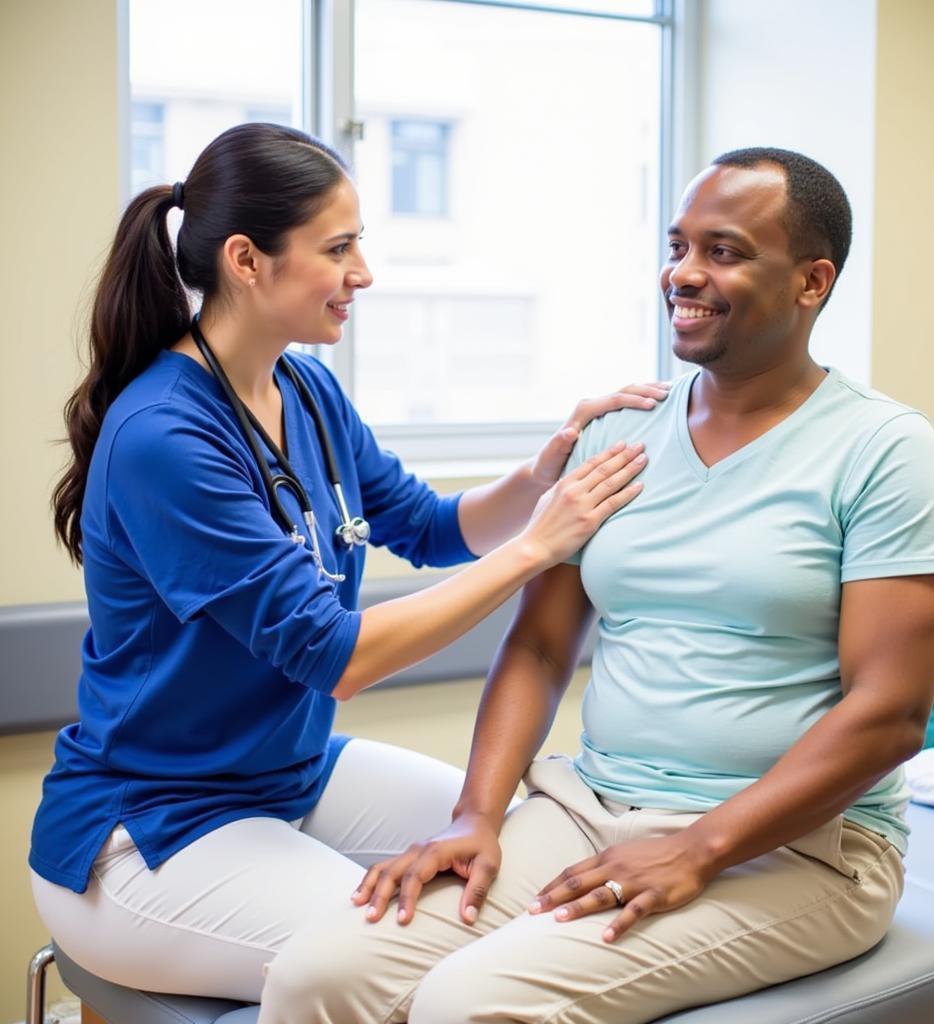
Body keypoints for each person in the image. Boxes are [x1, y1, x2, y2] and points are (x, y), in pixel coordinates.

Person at [266, 148, 934, 1024]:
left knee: (467, 1004)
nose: (684, 273)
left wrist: (701, 847)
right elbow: (540, 644)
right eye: (678, 246)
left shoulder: (883, 450)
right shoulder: (622, 436)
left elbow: (892, 712)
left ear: (811, 281)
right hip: (589, 806)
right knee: (314, 978)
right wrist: (476, 814)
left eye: (724, 251)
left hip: (801, 846)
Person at [27, 122, 664, 1003]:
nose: (363, 272)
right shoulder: (164, 437)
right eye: (339, 247)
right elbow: (341, 656)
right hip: (148, 832)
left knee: (516, 867)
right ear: (248, 261)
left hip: (287, 774)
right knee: (417, 955)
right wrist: (538, 548)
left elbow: (428, 525)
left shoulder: (304, 387)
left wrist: (543, 473)